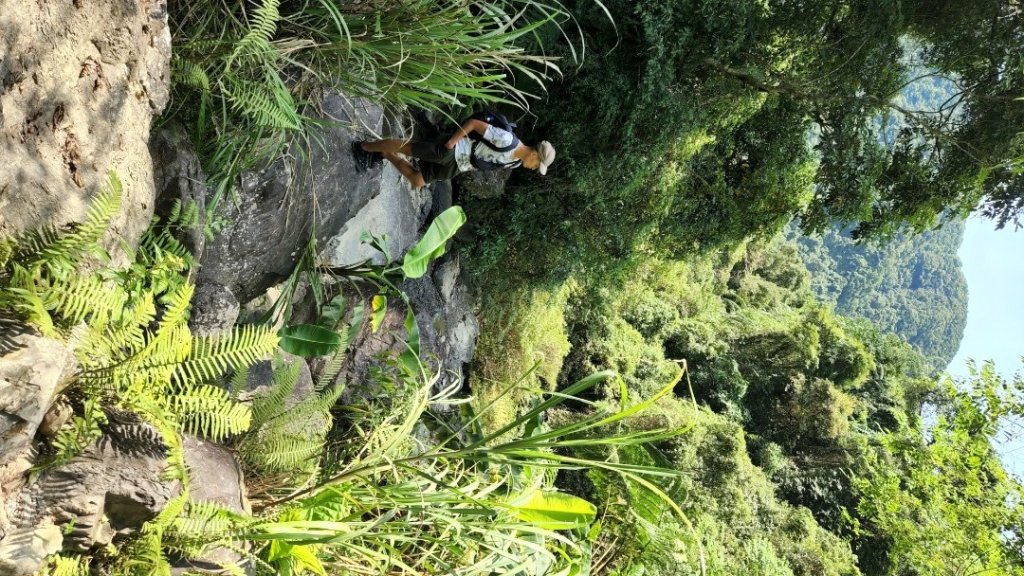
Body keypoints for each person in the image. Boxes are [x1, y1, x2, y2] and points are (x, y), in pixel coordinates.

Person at [353, 116, 556, 188]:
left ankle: (384, 153)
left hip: (458, 166)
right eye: (537, 165)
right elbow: (475, 124)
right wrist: (451, 141)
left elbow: (485, 161)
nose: (533, 168)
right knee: (408, 148)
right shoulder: (507, 140)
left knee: (417, 180)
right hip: (453, 150)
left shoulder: (516, 162)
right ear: (535, 155)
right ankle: (365, 147)